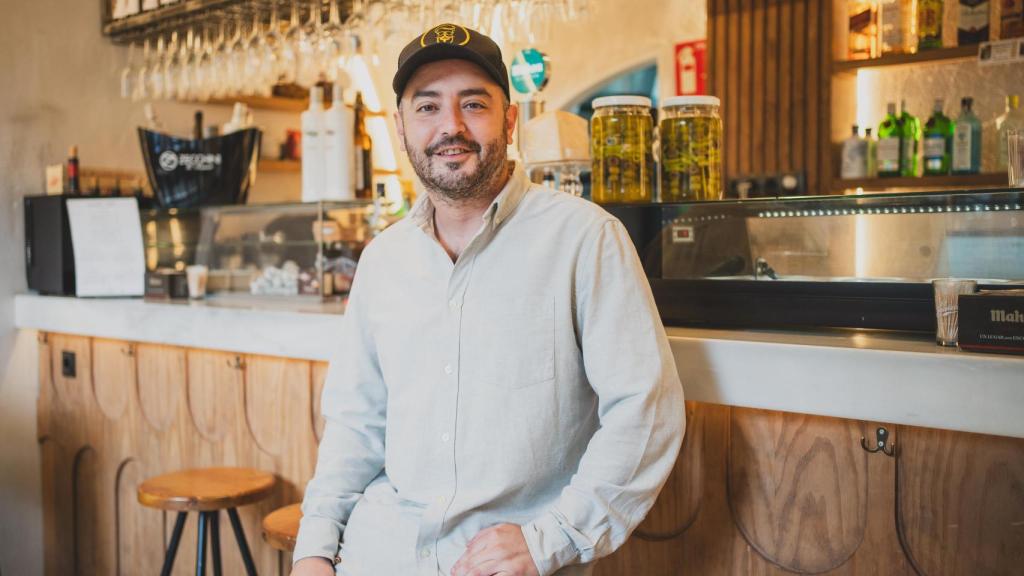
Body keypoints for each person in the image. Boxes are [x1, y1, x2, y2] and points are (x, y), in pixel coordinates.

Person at [291, 23, 685, 576]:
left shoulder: (584, 238)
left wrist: (554, 537)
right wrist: (313, 548)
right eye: (427, 107)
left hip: (511, 561)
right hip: (380, 551)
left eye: (473, 104)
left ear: (509, 118)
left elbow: (646, 413)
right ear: (401, 125)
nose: (450, 126)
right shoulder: (382, 259)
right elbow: (356, 423)